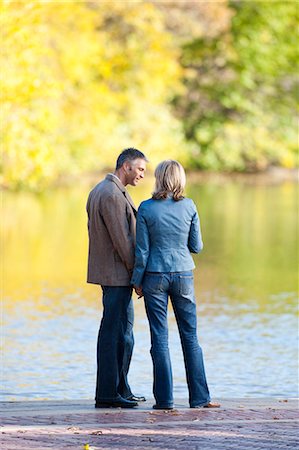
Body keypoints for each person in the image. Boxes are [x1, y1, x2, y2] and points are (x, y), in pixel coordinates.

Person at [131, 160, 220, 410]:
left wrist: (137, 281)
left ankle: (165, 401)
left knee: (159, 338)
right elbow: (197, 247)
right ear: (181, 179)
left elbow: (142, 251)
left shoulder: (146, 208)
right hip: (183, 275)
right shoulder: (189, 205)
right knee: (190, 337)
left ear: (158, 178)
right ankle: (200, 399)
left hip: (154, 276)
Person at [86, 148, 148, 408]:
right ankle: (109, 394)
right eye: (140, 169)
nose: (143, 175)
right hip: (117, 275)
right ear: (126, 167)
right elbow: (122, 241)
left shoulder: (101, 189)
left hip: (113, 273)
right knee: (114, 333)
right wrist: (137, 275)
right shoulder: (111, 194)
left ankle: (121, 388)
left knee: (123, 333)